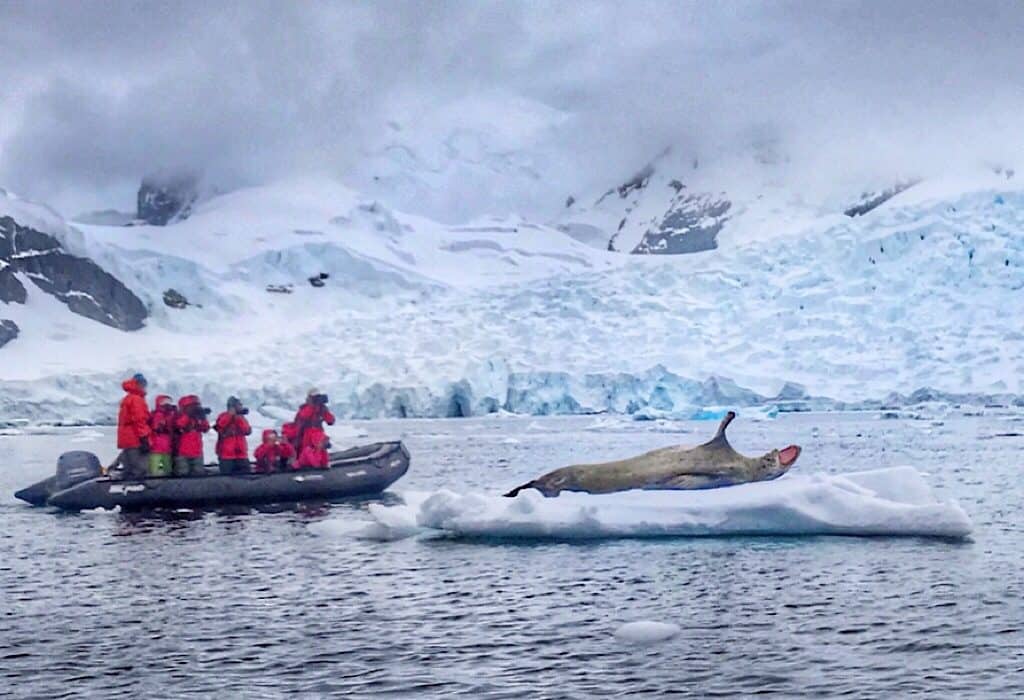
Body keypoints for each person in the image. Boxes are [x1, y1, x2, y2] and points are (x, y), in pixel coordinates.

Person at [116, 373, 151, 480]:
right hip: (134, 437)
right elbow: (139, 419)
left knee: (128, 466)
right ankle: (139, 490)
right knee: (139, 467)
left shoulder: (128, 398)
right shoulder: (137, 399)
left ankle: (126, 488)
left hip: (126, 437)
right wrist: (144, 437)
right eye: (143, 384)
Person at [174, 395, 211, 476]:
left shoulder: (198, 419)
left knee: (198, 474)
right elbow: (179, 425)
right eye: (192, 406)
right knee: (183, 473)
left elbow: (206, 428)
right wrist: (188, 416)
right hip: (183, 452)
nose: (195, 408)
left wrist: (203, 418)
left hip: (197, 452)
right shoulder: (180, 417)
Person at [214, 396, 252, 475]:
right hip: (226, 454)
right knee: (226, 476)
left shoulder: (241, 418)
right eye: (239, 405)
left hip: (241, 453)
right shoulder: (223, 416)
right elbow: (219, 427)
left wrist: (238, 418)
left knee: (246, 474)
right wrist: (230, 416)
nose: (241, 407)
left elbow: (247, 430)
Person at [147, 395, 177, 477]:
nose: (167, 404)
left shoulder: (172, 415)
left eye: (169, 402)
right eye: (164, 402)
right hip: (155, 447)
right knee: (154, 471)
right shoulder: (154, 415)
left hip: (167, 447)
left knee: (168, 470)